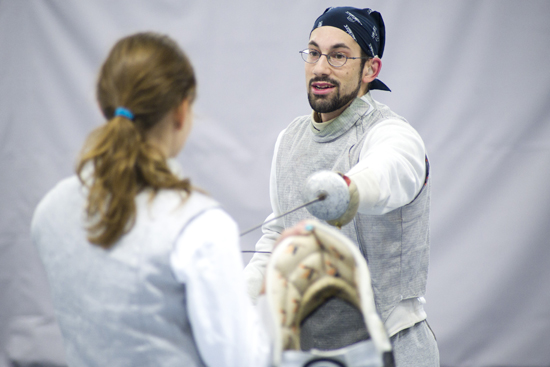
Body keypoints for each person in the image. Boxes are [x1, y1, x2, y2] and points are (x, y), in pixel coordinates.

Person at [31, 32, 270, 367]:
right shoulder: (200, 227)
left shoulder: (50, 210)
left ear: (104, 105)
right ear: (181, 111)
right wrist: (273, 295)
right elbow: (243, 362)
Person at [243, 6, 439, 366]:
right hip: (305, 354)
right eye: (314, 52)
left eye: (338, 56)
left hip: (390, 352)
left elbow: (391, 169)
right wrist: (236, 301)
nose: (320, 67)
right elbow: (276, 239)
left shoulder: (392, 133)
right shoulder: (290, 139)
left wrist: (348, 190)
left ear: (370, 69)